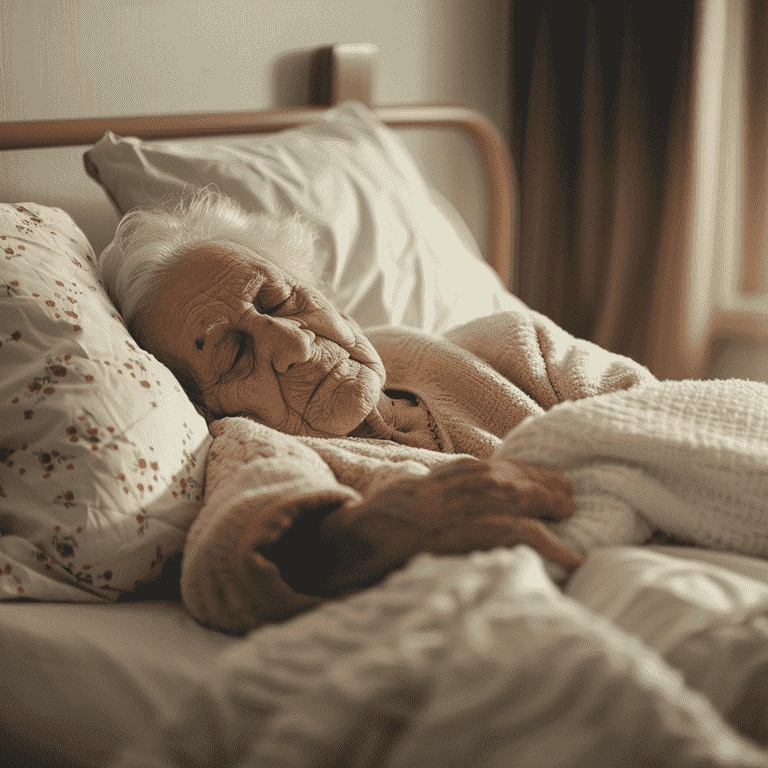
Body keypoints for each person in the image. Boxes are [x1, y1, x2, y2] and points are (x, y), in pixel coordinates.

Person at [98, 190, 657, 632]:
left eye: (281, 302)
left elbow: (673, 417)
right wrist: (369, 534)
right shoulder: (257, 443)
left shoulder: (510, 345)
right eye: (234, 352)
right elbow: (223, 571)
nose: (291, 344)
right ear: (201, 403)